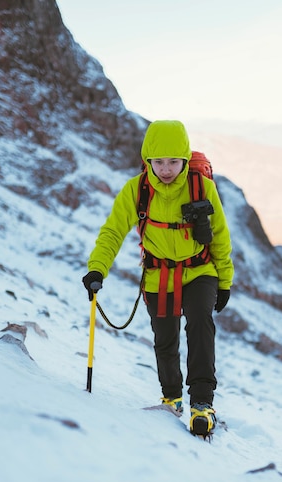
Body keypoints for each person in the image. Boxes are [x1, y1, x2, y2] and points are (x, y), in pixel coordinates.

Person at [83, 120, 234, 437]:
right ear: (148, 160)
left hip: (199, 271)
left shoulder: (201, 187)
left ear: (184, 159)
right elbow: (113, 232)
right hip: (159, 274)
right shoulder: (136, 190)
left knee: (200, 324)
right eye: (159, 162)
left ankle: (202, 404)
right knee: (165, 339)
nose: (166, 169)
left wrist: (224, 281)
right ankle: (172, 397)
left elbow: (219, 235)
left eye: (174, 162)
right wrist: (97, 268)